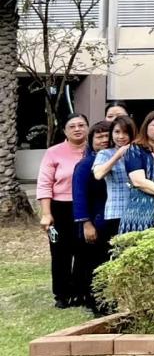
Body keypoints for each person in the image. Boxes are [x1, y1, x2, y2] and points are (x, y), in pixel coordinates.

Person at [37, 114, 90, 308]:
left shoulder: (94, 150)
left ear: (88, 128)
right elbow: (44, 184)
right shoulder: (53, 152)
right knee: (60, 251)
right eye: (72, 126)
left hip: (86, 207)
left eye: (81, 125)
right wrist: (46, 213)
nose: (77, 129)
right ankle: (62, 294)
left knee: (84, 250)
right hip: (61, 207)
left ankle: (81, 292)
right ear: (65, 131)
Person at [71, 121, 112, 313]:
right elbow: (79, 196)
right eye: (99, 137)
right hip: (93, 222)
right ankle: (93, 301)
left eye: (107, 136)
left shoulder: (116, 160)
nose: (104, 140)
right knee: (93, 264)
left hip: (112, 221)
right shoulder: (85, 165)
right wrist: (86, 224)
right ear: (91, 140)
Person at [92, 117, 136, 246]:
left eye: (125, 132)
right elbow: (98, 174)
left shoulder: (139, 152)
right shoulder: (105, 154)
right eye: (117, 132)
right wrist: (117, 155)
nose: (121, 136)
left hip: (139, 211)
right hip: (116, 210)